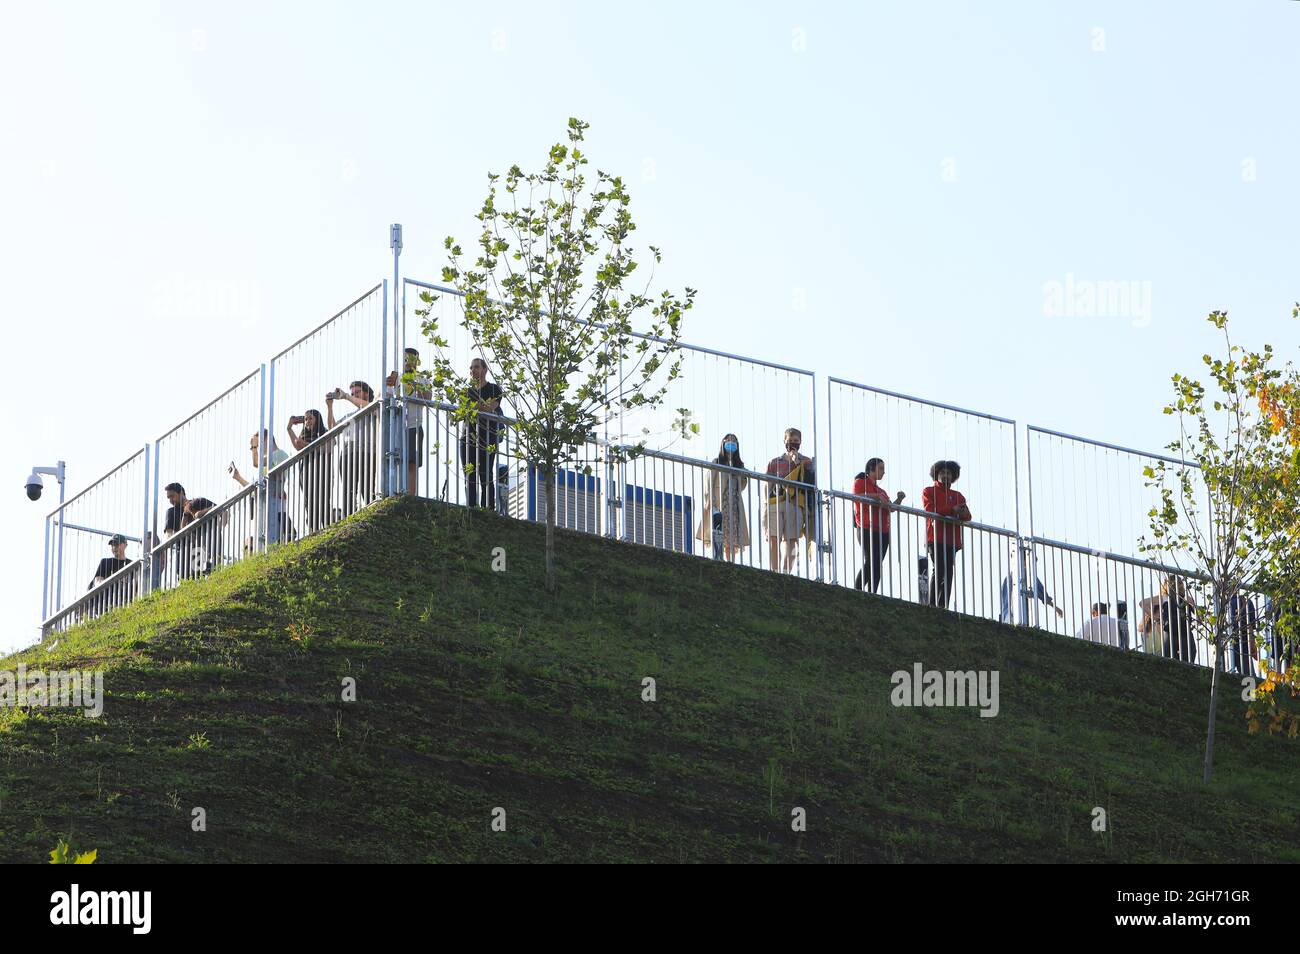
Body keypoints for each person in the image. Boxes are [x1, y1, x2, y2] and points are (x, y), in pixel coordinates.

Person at [763, 427, 816, 574]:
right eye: (790, 440)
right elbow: (768, 484)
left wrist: (798, 463)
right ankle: (774, 570)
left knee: (791, 539)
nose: (793, 443)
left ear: (800, 442)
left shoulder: (807, 462)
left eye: (796, 441)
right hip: (775, 502)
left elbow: (810, 483)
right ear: (784, 441)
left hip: (794, 503)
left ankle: (785, 572)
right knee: (774, 538)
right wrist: (766, 503)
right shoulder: (774, 462)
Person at [231, 430, 293, 548]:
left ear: (266, 440)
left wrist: (253, 447)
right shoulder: (269, 461)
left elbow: (256, 463)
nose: (258, 448)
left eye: (259, 444)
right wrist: (238, 478)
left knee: (277, 538)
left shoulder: (279, 454)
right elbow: (257, 489)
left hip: (275, 504)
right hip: (266, 505)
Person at [922, 460, 971, 609]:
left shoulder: (958, 495)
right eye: (942, 473)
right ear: (936, 475)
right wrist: (952, 510)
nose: (946, 476)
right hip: (935, 537)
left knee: (948, 572)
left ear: (953, 476)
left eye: (949, 473)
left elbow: (968, 517)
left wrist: (961, 512)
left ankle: (943, 605)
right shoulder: (929, 491)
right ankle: (932, 603)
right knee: (939, 569)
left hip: (952, 540)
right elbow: (930, 509)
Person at [852, 458, 904, 593]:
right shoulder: (860, 482)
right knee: (871, 560)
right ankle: (857, 589)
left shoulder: (882, 491)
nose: (883, 472)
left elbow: (891, 508)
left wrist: (899, 499)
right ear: (871, 469)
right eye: (881, 468)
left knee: (877, 563)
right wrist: (876, 496)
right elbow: (857, 497)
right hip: (866, 526)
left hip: (882, 530)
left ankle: (872, 592)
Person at [386, 347, 433, 496]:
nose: (407, 362)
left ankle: (411, 495)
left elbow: (427, 398)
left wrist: (413, 383)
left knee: (411, 462)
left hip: (414, 424)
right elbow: (384, 397)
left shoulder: (423, 379)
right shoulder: (396, 378)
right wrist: (389, 383)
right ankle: (393, 492)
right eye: (405, 358)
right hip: (396, 425)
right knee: (393, 459)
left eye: (411, 359)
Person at [697, 434, 750, 562]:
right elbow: (709, 481)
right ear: (723, 444)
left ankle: (729, 560)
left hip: (734, 502)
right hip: (720, 500)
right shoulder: (717, 462)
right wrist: (710, 500)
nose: (731, 445)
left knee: (732, 531)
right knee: (718, 529)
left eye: (734, 443)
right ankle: (718, 556)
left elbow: (742, 484)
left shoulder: (739, 466)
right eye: (728, 442)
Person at [327, 380, 377, 515]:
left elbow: (368, 408)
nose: (354, 395)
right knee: (348, 490)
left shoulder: (373, 407)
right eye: (352, 393)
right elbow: (333, 428)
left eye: (357, 392)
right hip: (348, 454)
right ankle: (349, 517)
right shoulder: (351, 415)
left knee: (367, 489)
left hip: (367, 453)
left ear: (366, 393)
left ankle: (370, 515)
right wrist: (330, 407)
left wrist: (346, 397)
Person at [460, 358, 503, 509]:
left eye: (477, 367)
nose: (473, 371)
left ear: (485, 369)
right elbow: (466, 408)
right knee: (469, 475)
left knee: (485, 474)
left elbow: (489, 408)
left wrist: (476, 406)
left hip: (488, 436)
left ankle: (488, 509)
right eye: (471, 368)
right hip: (468, 436)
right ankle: (471, 508)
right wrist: (480, 406)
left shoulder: (494, 389)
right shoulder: (467, 391)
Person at [288, 409, 333, 533]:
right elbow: (298, 445)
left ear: (317, 419)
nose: (307, 422)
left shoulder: (324, 433)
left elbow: (327, 447)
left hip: (322, 471)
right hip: (306, 471)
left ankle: (328, 528)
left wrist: (304, 444)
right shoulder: (304, 436)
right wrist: (289, 428)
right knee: (309, 501)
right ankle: (313, 530)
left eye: (310, 418)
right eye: (306, 419)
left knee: (323, 499)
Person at [998, 572, 1064, 625]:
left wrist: (1055, 607)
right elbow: (1042, 593)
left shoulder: (1029, 575)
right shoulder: (1028, 575)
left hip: (1016, 617)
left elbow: (1042, 593)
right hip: (1015, 616)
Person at [1160, 576, 1196, 664]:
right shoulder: (1165, 598)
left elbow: (1199, 616)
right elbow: (1143, 603)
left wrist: (1191, 603)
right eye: (1178, 584)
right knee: (1170, 658)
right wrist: (1157, 618)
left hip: (1184, 632)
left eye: (1181, 583)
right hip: (1171, 632)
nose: (1180, 586)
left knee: (1189, 655)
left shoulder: (1186, 599)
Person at [1224, 591, 1259, 676]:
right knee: (1249, 678)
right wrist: (1252, 644)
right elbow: (1249, 625)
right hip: (1242, 645)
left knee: (1224, 677)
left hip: (1225, 646)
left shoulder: (1220, 603)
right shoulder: (1245, 601)